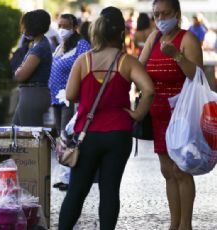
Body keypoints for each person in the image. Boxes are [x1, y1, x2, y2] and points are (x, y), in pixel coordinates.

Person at [59, 7, 155, 229]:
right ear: (121, 33)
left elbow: (71, 95)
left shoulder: (84, 60)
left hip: (88, 135)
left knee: (77, 191)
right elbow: (148, 90)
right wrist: (137, 115)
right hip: (119, 134)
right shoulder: (127, 61)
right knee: (110, 190)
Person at [140, 1, 216, 229]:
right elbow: (138, 67)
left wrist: (176, 56)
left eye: (166, 13)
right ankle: (174, 224)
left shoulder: (187, 39)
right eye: (157, 14)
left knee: (181, 169)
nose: (161, 18)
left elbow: (199, 76)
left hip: (183, 114)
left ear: (177, 14)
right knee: (167, 171)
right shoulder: (153, 38)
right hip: (158, 113)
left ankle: (186, 225)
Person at [48, 14, 91, 191]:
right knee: (60, 136)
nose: (62, 29)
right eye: (60, 25)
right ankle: (63, 173)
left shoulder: (82, 45)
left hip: (70, 97)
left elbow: (87, 68)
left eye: (66, 26)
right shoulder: (60, 46)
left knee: (68, 135)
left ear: (74, 27)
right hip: (55, 98)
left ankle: (69, 175)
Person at [13, 9, 52, 126]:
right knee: (17, 132)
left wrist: (18, 70)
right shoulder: (37, 44)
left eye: (24, 26)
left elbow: (20, 75)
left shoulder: (39, 48)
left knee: (29, 136)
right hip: (30, 94)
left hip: (33, 95)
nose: (22, 30)